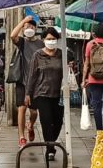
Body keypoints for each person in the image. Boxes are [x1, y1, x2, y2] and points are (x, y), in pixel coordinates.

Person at [23, 26, 70, 158]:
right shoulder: (37, 55)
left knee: (58, 121)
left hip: (59, 94)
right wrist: (28, 93)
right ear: (43, 40)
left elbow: (66, 72)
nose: (51, 41)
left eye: (53, 39)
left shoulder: (61, 54)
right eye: (48, 39)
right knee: (46, 121)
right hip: (42, 93)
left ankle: (51, 142)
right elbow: (32, 76)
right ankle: (50, 149)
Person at [9, 12, 45, 144]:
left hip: (36, 82)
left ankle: (30, 125)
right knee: (22, 108)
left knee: (34, 111)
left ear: (35, 29)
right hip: (22, 81)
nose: (29, 28)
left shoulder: (41, 44)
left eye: (31, 26)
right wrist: (23, 21)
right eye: (26, 27)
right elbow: (12, 35)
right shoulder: (22, 42)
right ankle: (21, 137)